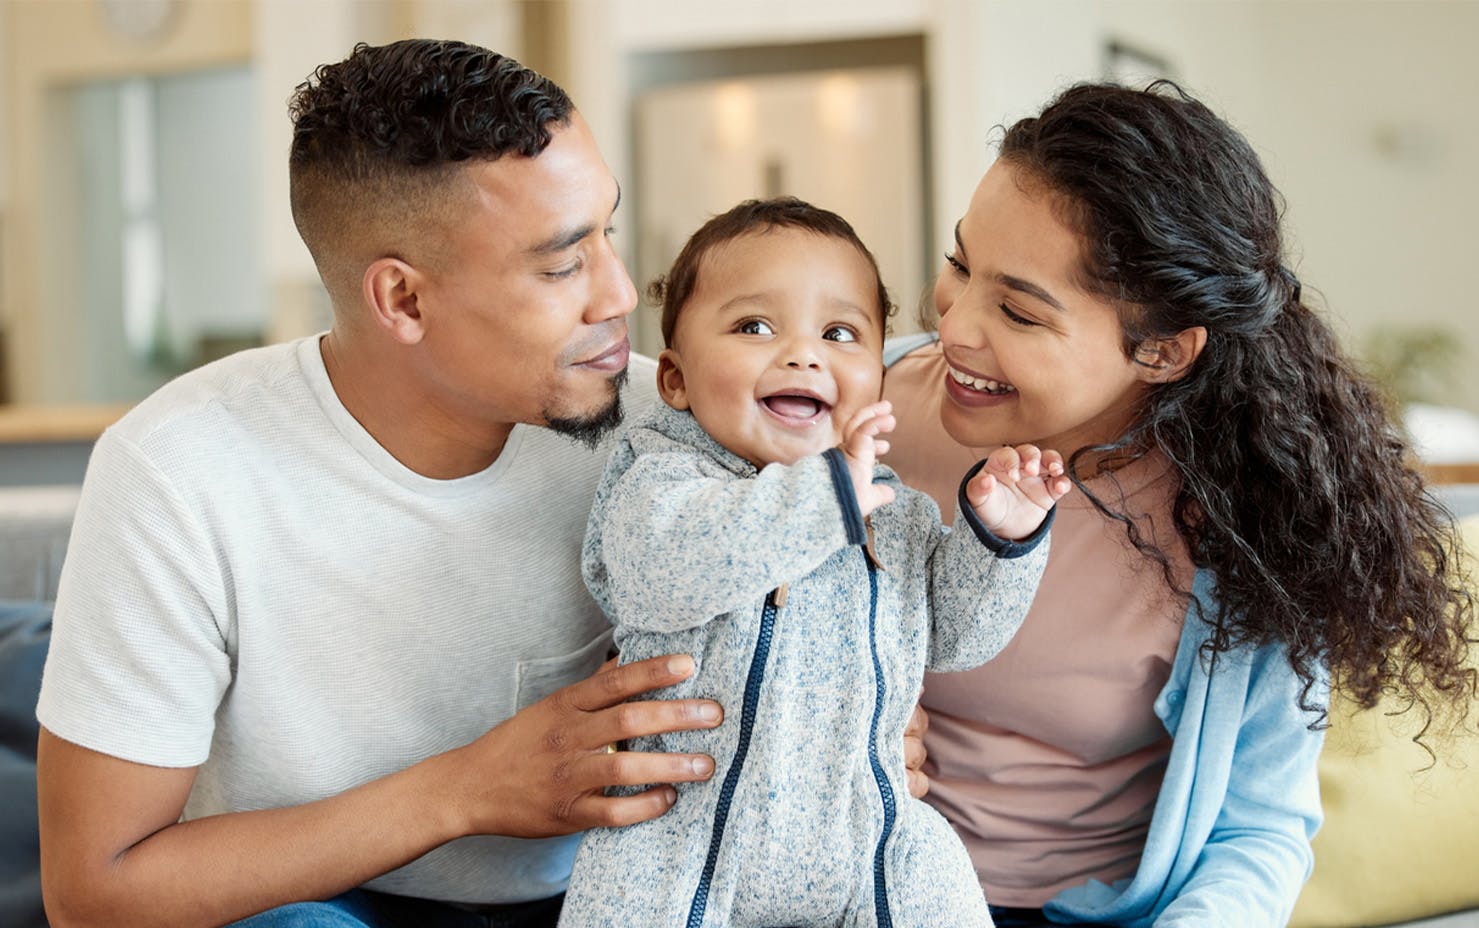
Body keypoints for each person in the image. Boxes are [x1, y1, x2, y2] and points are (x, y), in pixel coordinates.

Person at [34, 39, 737, 928]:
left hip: (614, 893)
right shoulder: (178, 470)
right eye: (562, 265)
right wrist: (465, 791)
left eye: (609, 232)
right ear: (402, 300)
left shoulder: (668, 424)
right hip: (319, 905)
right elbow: (92, 893)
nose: (620, 295)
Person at [881, 81, 1476, 927]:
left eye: (1016, 310)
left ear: (1160, 351)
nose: (953, 326)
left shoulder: (1247, 523)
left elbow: (1258, 831)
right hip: (852, 885)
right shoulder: (845, 412)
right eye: (958, 264)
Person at [559, 197, 1070, 928]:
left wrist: (1000, 538)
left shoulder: (892, 513)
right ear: (674, 380)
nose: (804, 355)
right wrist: (824, 498)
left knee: (937, 877)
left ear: (878, 381)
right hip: (681, 837)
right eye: (754, 326)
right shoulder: (662, 483)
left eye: (839, 333)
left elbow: (956, 638)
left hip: (870, 837)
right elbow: (665, 575)